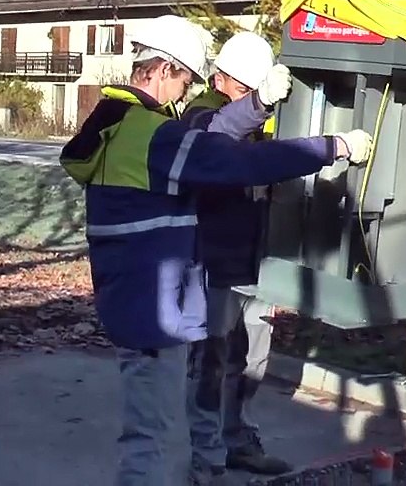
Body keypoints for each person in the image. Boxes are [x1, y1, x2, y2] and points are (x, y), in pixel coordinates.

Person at [59, 16, 372, 486]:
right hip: (152, 309)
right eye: (184, 78)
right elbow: (237, 159)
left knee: (150, 429)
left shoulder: (119, 125)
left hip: (131, 296)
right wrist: (333, 146)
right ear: (162, 69)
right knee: (153, 438)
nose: (185, 91)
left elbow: (213, 143)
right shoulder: (154, 136)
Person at [182, 32, 295, 483]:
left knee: (251, 357)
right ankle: (206, 454)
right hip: (214, 260)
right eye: (245, 90)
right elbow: (218, 133)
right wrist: (259, 103)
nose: (251, 99)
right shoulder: (200, 116)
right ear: (220, 77)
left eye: (255, 90)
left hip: (253, 259)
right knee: (210, 357)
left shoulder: (255, 123)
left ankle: (237, 437)